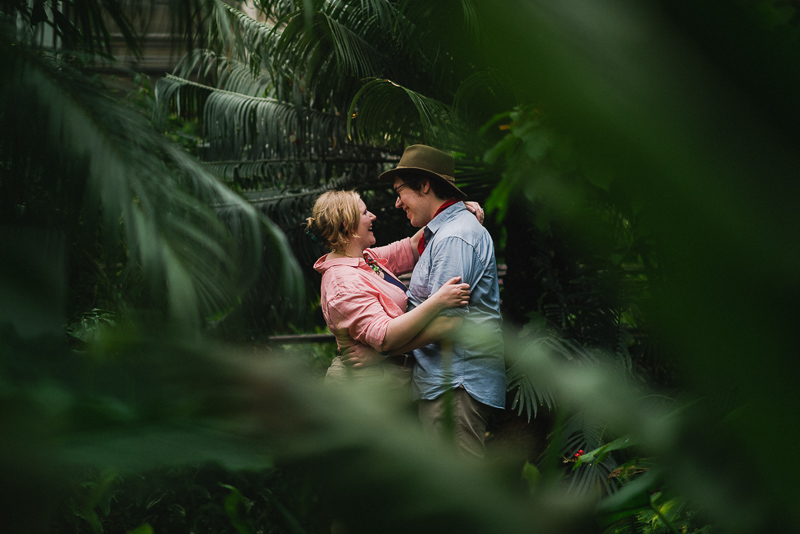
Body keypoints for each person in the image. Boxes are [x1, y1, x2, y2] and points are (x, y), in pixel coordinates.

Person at [344, 145, 505, 459]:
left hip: (454, 385)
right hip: (444, 384)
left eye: (399, 191)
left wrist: (383, 349)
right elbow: (406, 249)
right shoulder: (444, 231)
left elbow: (448, 321)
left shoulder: (453, 237)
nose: (396, 202)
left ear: (425, 185)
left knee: (458, 492)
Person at [306, 190, 480, 388]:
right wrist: (438, 301)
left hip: (385, 378)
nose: (373, 216)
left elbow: (414, 246)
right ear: (347, 225)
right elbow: (385, 337)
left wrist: (452, 212)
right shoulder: (342, 281)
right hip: (365, 386)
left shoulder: (366, 259)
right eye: (364, 213)